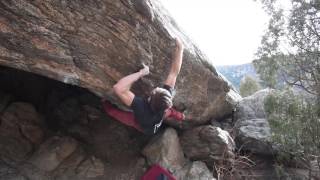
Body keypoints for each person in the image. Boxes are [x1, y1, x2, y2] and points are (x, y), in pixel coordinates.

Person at [102, 38, 184, 135]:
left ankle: (103, 102)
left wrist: (141, 73)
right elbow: (174, 73)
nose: (157, 87)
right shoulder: (165, 100)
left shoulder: (142, 108)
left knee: (112, 112)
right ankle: (181, 116)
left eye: (155, 90)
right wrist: (180, 48)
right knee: (170, 113)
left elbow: (118, 88)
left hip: (144, 126)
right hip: (158, 117)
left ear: (148, 100)